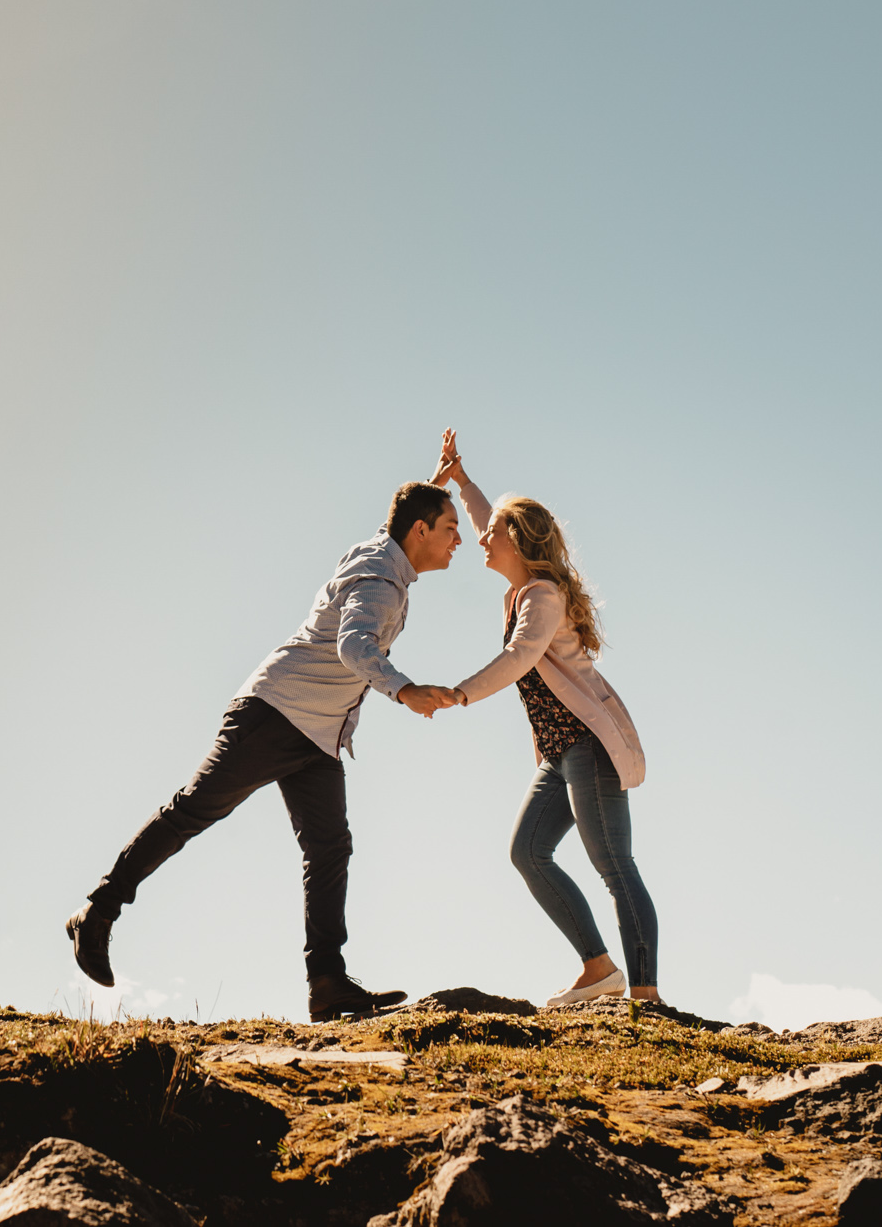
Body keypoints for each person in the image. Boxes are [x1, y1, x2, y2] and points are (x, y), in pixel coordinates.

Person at [66, 478, 465, 1022]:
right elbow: (353, 644)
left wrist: (435, 484)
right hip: (276, 714)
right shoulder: (381, 578)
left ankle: (327, 983)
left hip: (317, 736)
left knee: (329, 849)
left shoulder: (385, 559)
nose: (458, 540)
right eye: (449, 527)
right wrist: (404, 689)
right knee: (193, 811)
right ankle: (97, 912)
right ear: (420, 530)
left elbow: (396, 523)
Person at [432, 429, 662, 1006]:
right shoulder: (520, 588)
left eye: (494, 534)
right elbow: (489, 518)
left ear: (519, 543)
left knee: (614, 866)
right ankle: (599, 969)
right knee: (528, 852)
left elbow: (518, 659)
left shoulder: (542, 595)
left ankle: (646, 995)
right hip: (559, 754)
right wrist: (461, 481)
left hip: (589, 746)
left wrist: (459, 694)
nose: (481, 538)